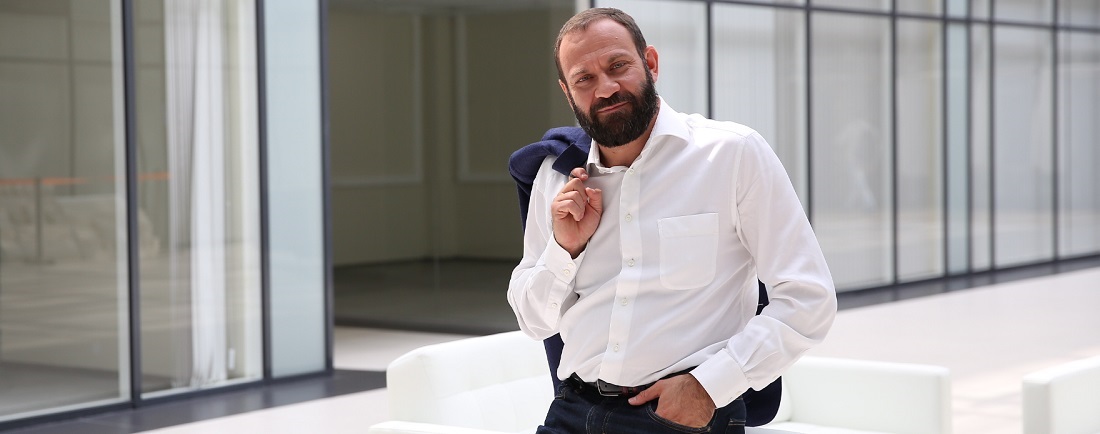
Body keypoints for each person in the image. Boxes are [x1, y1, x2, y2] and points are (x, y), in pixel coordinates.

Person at [507, 7, 837, 433]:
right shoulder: (556, 177)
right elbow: (534, 321)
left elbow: (809, 298)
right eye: (584, 79)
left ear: (651, 63)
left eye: (617, 66)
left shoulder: (732, 154)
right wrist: (564, 249)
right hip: (573, 412)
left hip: (682, 417)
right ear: (567, 93)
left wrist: (710, 387)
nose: (606, 88)